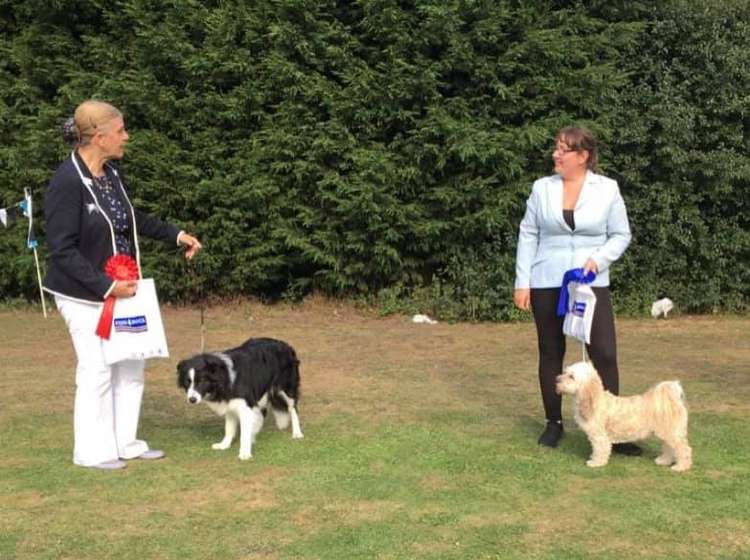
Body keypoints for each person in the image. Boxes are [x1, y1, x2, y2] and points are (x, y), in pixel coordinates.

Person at [44, 100, 202, 470]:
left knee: (131, 365)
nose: (126, 137)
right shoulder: (66, 183)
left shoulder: (112, 174)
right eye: (120, 131)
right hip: (84, 295)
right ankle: (92, 452)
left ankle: (126, 443)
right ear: (99, 138)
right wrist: (105, 286)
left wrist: (177, 235)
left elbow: (132, 218)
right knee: (97, 369)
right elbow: (61, 251)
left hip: (125, 288)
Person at [513, 126, 640, 454]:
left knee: (604, 352)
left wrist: (598, 261)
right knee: (551, 351)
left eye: (562, 150)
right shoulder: (541, 188)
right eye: (555, 148)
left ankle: (615, 428)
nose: (555, 154)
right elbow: (528, 233)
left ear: (582, 156)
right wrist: (522, 281)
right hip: (547, 279)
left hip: (589, 282)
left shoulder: (607, 189)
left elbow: (621, 235)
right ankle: (554, 424)